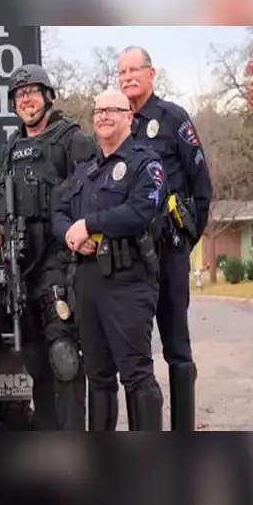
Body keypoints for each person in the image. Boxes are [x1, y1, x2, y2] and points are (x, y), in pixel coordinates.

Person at [0, 63, 99, 431]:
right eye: (19, 95)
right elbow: (0, 200)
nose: (26, 100)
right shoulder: (10, 148)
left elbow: (95, 199)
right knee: (34, 360)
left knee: (64, 355)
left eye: (32, 92)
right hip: (22, 266)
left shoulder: (73, 140)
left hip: (60, 262)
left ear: (48, 96)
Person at [52, 89, 166, 431]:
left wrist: (89, 225)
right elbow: (57, 212)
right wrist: (71, 234)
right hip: (88, 280)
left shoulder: (145, 163)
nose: (103, 116)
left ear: (129, 116)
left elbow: (143, 209)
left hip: (128, 280)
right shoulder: (84, 171)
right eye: (98, 110)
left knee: (136, 375)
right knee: (98, 376)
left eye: (112, 110)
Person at [118, 46, 213, 431]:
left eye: (133, 70)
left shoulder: (172, 118)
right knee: (135, 353)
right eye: (121, 72)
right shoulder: (118, 126)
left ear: (151, 73)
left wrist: (186, 240)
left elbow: (202, 186)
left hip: (169, 251)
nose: (126, 78)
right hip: (131, 258)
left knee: (176, 347)